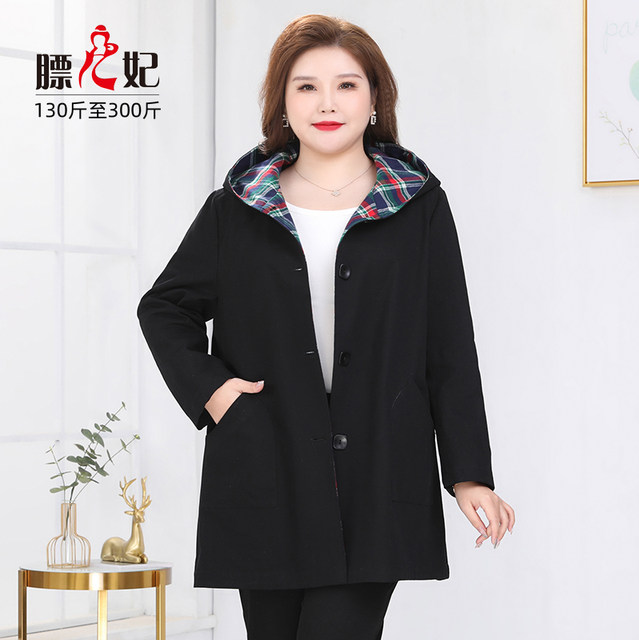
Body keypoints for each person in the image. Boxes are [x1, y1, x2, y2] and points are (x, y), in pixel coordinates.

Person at [137, 13, 516, 640]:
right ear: (283, 103)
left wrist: (469, 472)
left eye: (346, 85)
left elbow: (449, 343)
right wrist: (215, 391)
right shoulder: (240, 205)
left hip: (378, 468)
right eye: (306, 86)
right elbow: (165, 306)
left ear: (375, 98)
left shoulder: (416, 203)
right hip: (265, 463)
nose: (327, 103)